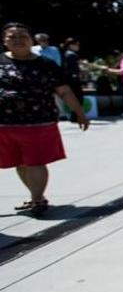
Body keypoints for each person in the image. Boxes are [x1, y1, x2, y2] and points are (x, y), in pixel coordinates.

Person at [1, 22, 89, 215]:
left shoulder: (46, 64)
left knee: (35, 161)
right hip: (5, 124)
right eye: (12, 37)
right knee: (20, 163)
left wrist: (79, 113)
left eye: (23, 36)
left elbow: (64, 91)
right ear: (4, 41)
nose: (18, 40)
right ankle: (36, 196)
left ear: (31, 40)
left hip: (38, 122)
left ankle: (38, 199)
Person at [61, 38, 85, 122]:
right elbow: (73, 69)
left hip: (69, 79)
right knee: (78, 97)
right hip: (73, 79)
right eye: (77, 45)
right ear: (71, 45)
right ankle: (76, 116)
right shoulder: (72, 55)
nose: (78, 47)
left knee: (74, 97)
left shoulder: (66, 54)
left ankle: (74, 116)